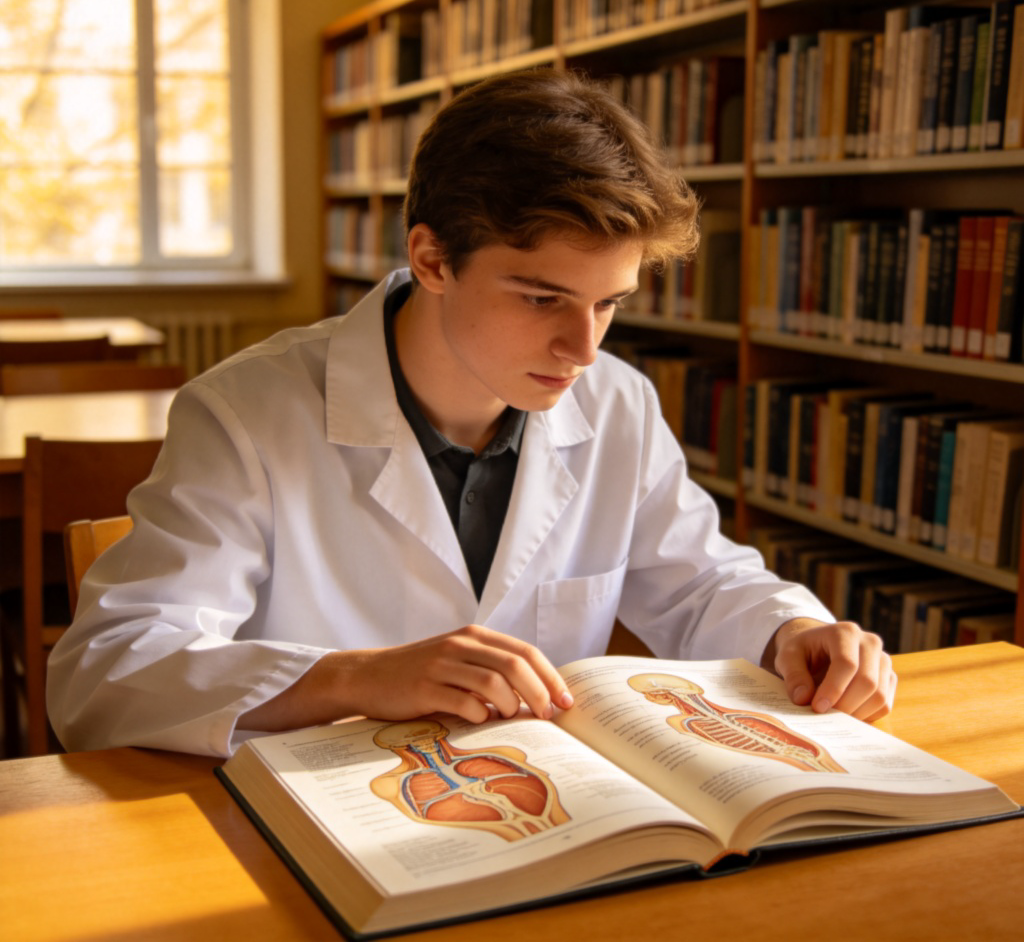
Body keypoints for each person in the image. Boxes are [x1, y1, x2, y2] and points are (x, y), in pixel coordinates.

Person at [47, 69, 895, 758]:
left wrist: (795, 631)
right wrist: (354, 678)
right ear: (433, 258)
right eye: (541, 298)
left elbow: (701, 578)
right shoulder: (246, 412)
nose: (583, 349)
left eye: (610, 304)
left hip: (538, 820)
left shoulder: (617, 402)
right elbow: (102, 676)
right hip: (322, 828)